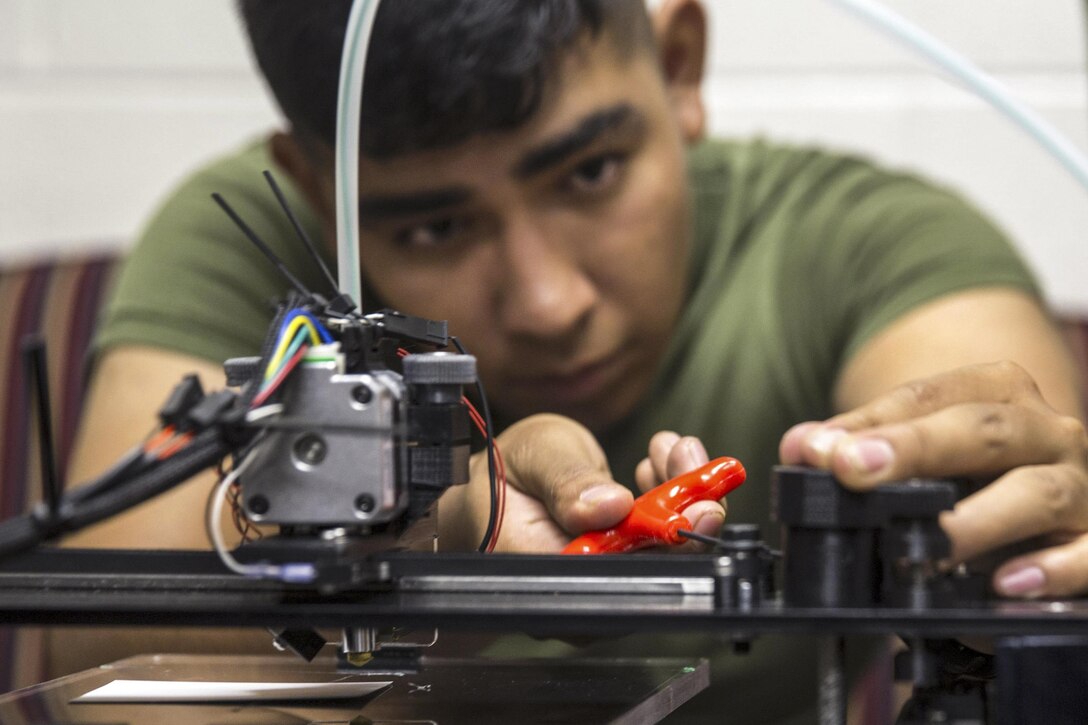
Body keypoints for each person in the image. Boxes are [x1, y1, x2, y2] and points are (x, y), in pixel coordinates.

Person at [60, 1, 1087, 723]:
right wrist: (437, 525)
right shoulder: (252, 240)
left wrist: (1012, 540)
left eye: (589, 171)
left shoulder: (869, 239)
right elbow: (106, 677)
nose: (549, 301)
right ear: (317, 185)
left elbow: (998, 463)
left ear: (678, 62)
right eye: (432, 225)